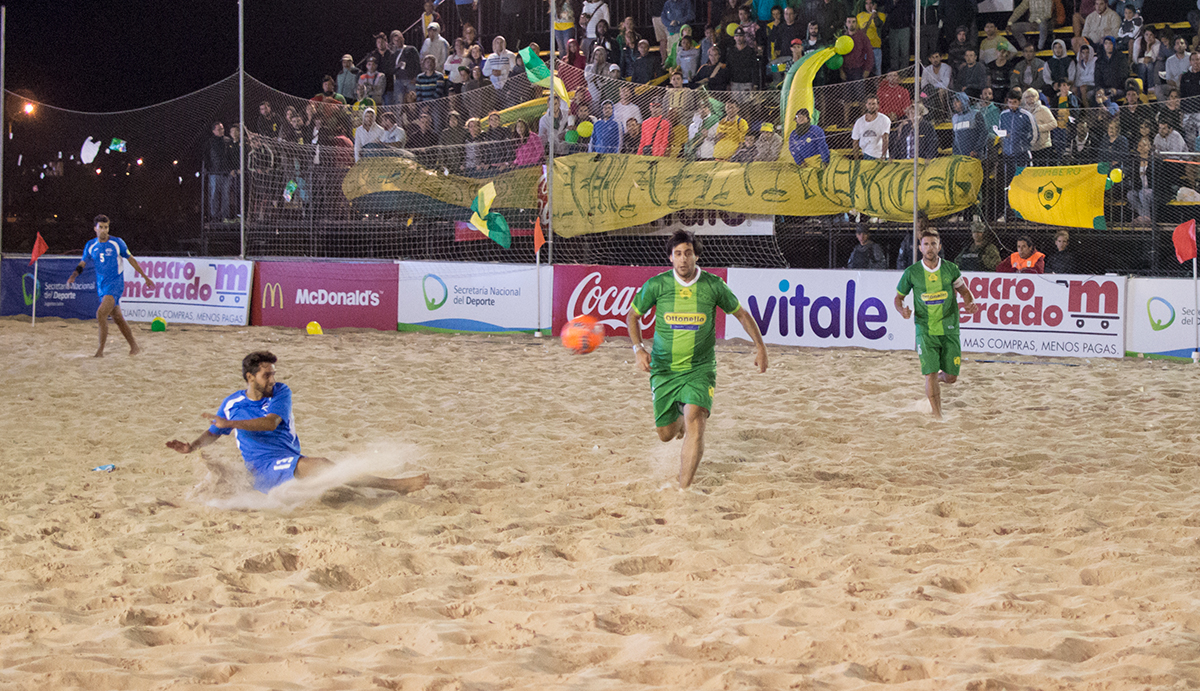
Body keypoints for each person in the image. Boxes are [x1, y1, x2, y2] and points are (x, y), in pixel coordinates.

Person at [167, 352, 429, 496]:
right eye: (266, 375)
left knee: (332, 480)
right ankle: (397, 486)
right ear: (250, 377)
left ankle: (379, 488)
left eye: (273, 374)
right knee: (325, 466)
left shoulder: (281, 392)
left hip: (288, 458)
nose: (271, 379)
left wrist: (231, 423)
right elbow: (214, 432)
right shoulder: (231, 404)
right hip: (263, 468)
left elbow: (270, 424)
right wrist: (191, 446)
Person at [627, 231, 767, 488]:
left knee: (696, 419)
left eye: (688, 253)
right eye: (678, 254)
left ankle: (684, 488)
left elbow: (742, 315)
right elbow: (632, 316)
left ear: (697, 256)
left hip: (699, 368)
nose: (683, 259)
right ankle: (677, 419)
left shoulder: (713, 285)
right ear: (670, 257)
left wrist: (760, 347)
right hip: (664, 369)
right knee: (666, 435)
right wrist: (638, 349)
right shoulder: (657, 285)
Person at [894, 228, 978, 419]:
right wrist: (902, 310)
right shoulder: (912, 272)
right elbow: (898, 298)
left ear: (939, 246)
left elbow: (965, 291)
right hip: (925, 329)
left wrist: (969, 302)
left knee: (951, 378)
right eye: (926, 244)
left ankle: (941, 378)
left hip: (949, 328)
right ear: (920, 247)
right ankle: (938, 416)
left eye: (933, 243)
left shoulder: (950, 269)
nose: (930, 248)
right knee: (930, 373)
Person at [66, 215, 155, 358]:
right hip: (102, 286)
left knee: (101, 313)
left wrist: (145, 277)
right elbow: (83, 263)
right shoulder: (91, 245)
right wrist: (73, 276)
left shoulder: (117, 243)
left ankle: (100, 351)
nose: (104, 230)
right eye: (101, 227)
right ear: (95, 228)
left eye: (106, 227)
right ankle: (134, 347)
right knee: (118, 318)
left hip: (115, 284)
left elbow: (131, 260)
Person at [205, 122, 234, 221]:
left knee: (226, 195)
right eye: (219, 129)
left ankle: (225, 215)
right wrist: (209, 169)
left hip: (226, 172)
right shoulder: (210, 142)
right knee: (214, 194)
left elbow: (231, 156)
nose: (221, 131)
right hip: (214, 172)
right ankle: (214, 216)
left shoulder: (227, 140)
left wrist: (230, 168)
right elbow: (206, 156)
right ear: (213, 131)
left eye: (222, 129)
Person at [851, 94, 890, 160]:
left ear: (877, 105)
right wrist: (856, 160)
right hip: (867, 154)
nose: (871, 106)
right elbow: (855, 141)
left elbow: (885, 139)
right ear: (866, 105)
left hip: (880, 155)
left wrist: (883, 156)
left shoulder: (884, 119)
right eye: (869, 104)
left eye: (874, 104)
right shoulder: (859, 122)